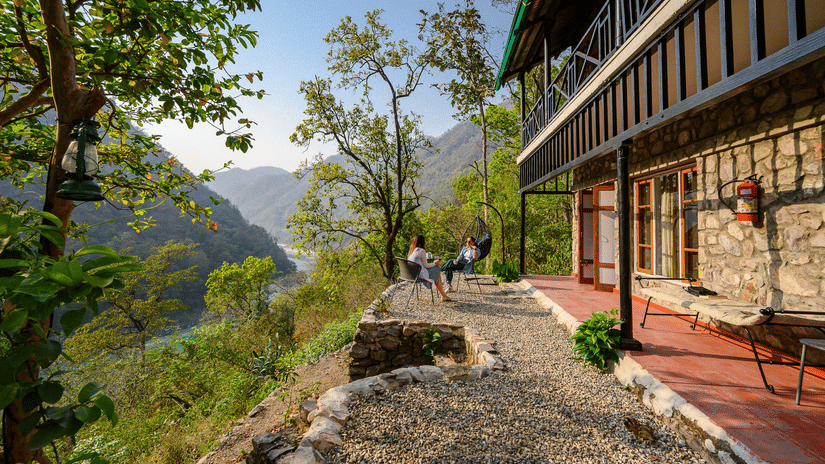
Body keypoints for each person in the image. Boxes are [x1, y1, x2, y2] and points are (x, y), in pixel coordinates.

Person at [407, 234, 452, 302]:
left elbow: (422, 265)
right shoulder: (421, 251)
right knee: (437, 269)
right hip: (419, 275)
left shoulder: (411, 251)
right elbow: (425, 265)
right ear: (422, 242)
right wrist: (435, 263)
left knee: (435, 271)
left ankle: (440, 284)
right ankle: (442, 292)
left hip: (411, 275)